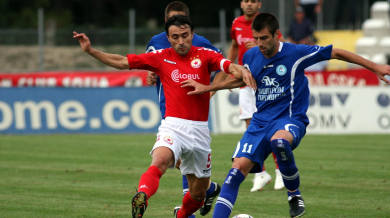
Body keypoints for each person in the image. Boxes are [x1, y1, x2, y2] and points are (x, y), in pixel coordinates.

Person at [181, 13, 390, 218]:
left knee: (279, 142)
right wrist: (208, 87)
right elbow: (243, 80)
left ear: (277, 34)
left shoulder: (296, 52)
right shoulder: (252, 55)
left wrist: (375, 67)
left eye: (264, 38)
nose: (259, 43)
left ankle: (293, 194)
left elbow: (337, 53)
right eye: (256, 39)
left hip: (290, 119)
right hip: (260, 122)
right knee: (234, 173)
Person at [73, 15, 255, 218]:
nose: (181, 41)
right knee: (160, 161)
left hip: (200, 131)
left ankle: (181, 215)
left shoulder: (204, 55)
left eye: (185, 36)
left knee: (198, 195)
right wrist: (91, 51)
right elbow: (122, 61)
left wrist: (240, 71)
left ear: (192, 35)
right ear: (168, 38)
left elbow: (228, 66)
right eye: (175, 37)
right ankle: (142, 195)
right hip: (173, 126)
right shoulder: (160, 57)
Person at [144, 2, 223, 217]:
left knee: (183, 158)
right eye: (172, 20)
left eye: (181, 20)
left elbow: (224, 65)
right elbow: (151, 67)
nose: (179, 33)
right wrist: (150, 75)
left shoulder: (202, 44)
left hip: (192, 112)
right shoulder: (156, 42)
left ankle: (190, 207)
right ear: (166, 23)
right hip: (168, 108)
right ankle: (207, 189)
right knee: (177, 159)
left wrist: (210, 89)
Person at [227, 0, 286, 192]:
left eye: (253, 1)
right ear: (241, 3)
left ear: (259, 4)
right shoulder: (236, 23)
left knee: (272, 127)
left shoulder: (265, 24)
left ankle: (280, 172)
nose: (249, 4)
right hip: (245, 81)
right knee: (250, 126)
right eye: (245, 1)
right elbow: (235, 46)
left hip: (266, 80)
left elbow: (284, 46)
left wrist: (259, 45)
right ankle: (261, 173)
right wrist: (230, 68)